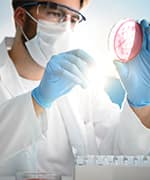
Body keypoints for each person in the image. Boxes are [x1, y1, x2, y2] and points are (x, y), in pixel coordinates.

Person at [0, 0, 150, 179]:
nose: (65, 27)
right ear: (21, 16)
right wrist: (37, 100)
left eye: (74, 19)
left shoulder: (84, 83)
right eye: (55, 14)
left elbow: (120, 157)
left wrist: (140, 107)